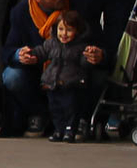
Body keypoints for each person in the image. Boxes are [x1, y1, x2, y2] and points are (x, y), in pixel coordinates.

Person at [0, 0, 74, 138]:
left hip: (71, 69)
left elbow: (90, 37)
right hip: (39, 72)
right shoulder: (22, 12)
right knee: (12, 76)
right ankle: (38, 113)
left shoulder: (74, 5)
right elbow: (7, 50)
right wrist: (20, 54)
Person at [36, 11, 94, 142]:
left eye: (69, 30)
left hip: (71, 84)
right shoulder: (52, 43)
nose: (64, 34)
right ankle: (58, 130)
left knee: (71, 108)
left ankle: (70, 130)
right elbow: (42, 51)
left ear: (77, 31)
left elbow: (85, 63)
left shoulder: (81, 47)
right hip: (53, 83)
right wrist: (32, 54)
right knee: (55, 109)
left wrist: (89, 57)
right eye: (61, 29)